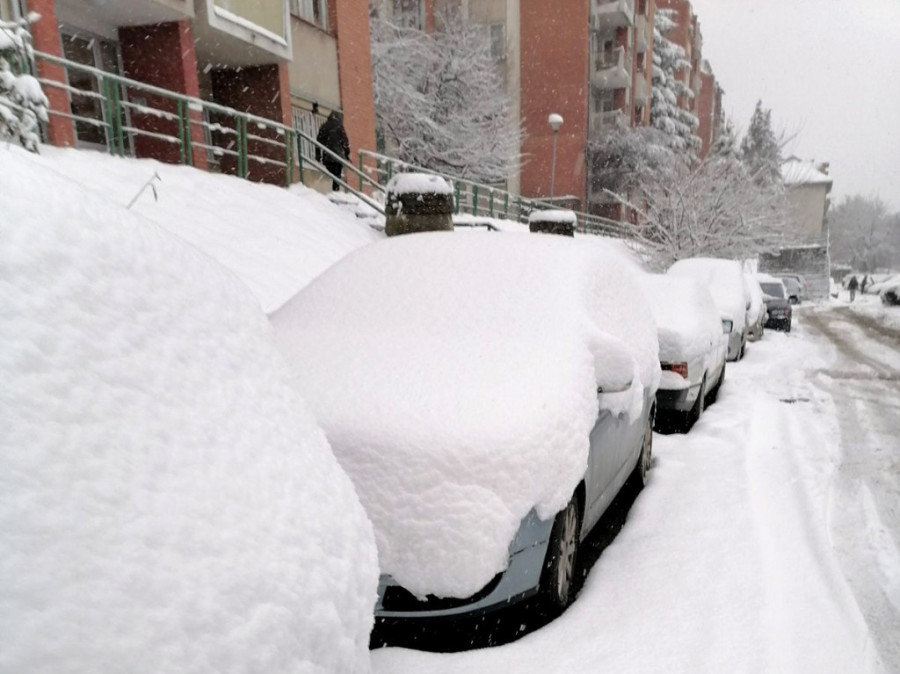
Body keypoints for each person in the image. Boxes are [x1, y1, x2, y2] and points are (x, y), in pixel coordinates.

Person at [315, 111, 350, 191]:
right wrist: (347, 154)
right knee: (337, 175)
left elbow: (318, 141)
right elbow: (345, 142)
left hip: (327, 156)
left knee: (333, 173)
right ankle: (335, 191)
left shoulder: (324, 126)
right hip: (338, 156)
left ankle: (335, 190)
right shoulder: (339, 127)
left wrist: (318, 155)